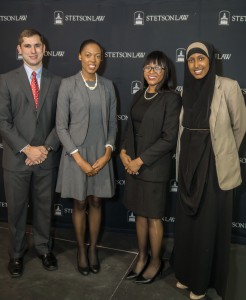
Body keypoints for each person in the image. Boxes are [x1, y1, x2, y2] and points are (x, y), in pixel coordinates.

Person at [174, 41, 246, 300]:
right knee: (187, 226)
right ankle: (185, 273)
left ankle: (201, 284)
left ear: (211, 61)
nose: (196, 65)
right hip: (187, 167)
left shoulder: (228, 86)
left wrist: (221, 154)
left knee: (206, 227)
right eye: (191, 60)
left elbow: (239, 127)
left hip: (214, 169)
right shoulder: (186, 90)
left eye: (201, 59)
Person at [0, 29, 61, 277]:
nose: (33, 51)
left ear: (44, 49)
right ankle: (16, 254)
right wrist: (27, 149)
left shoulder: (57, 82)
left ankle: (44, 249)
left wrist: (44, 149)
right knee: (15, 211)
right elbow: (3, 122)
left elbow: (62, 122)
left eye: (37, 46)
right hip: (17, 159)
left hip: (46, 158)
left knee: (45, 208)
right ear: (19, 50)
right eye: (27, 46)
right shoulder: (5, 80)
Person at [56, 39, 117, 276]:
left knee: (96, 201)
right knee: (80, 203)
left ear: (102, 59)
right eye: (88, 55)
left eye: (98, 56)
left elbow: (112, 123)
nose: (93, 60)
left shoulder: (108, 86)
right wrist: (79, 159)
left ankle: (93, 250)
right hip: (75, 155)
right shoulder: (67, 85)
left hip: (101, 154)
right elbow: (61, 127)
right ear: (79, 56)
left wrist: (108, 152)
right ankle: (81, 250)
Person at [120, 51, 181, 284]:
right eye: (148, 67)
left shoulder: (172, 99)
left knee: (154, 217)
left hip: (153, 168)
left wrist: (140, 160)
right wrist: (124, 153)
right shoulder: (138, 95)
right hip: (133, 166)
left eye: (157, 68)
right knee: (139, 214)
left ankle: (156, 261)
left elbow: (169, 138)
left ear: (166, 73)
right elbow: (129, 128)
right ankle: (142, 255)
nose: (152, 72)